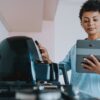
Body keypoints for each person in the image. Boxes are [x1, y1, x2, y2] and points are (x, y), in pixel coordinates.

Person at [37, 0, 100, 98]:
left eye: (95, 19)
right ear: (81, 23)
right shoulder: (75, 48)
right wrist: (48, 60)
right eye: (86, 20)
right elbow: (61, 69)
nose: (90, 23)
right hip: (75, 97)